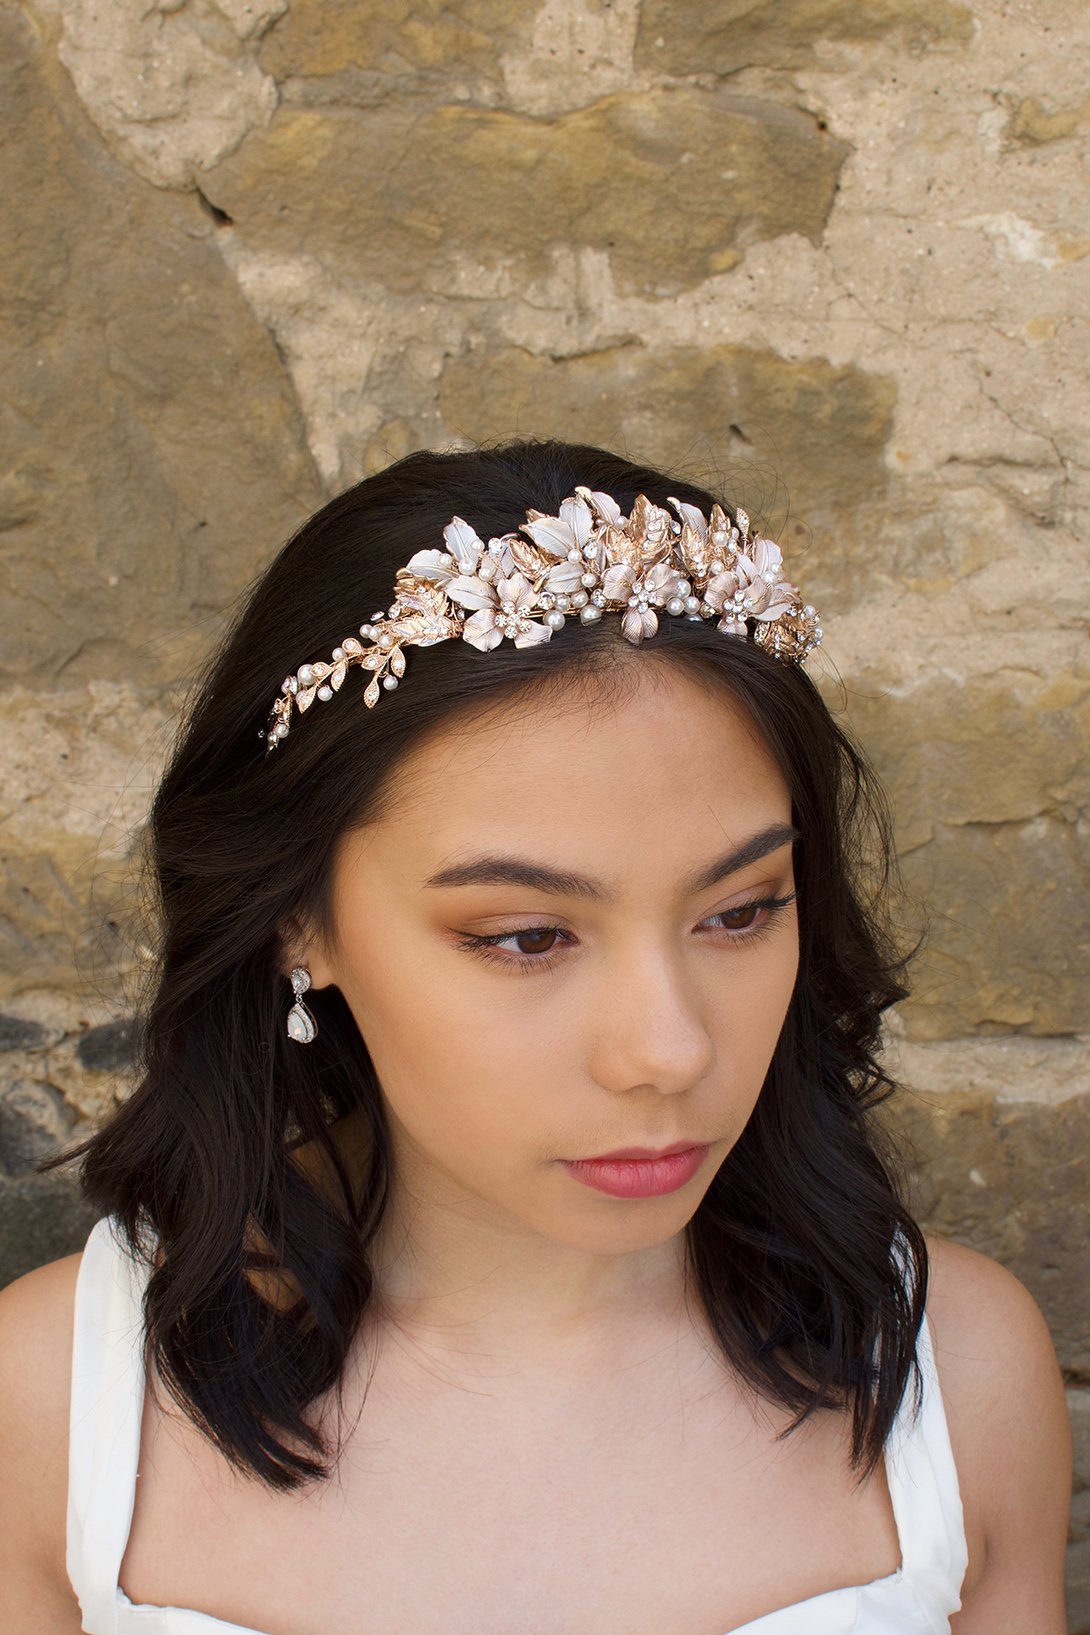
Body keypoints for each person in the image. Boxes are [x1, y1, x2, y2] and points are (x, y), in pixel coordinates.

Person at [0, 439, 1071, 1634]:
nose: (667, 1052)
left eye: (739, 911)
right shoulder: (55, 1408)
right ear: (298, 922)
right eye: (525, 938)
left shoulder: (960, 1381)